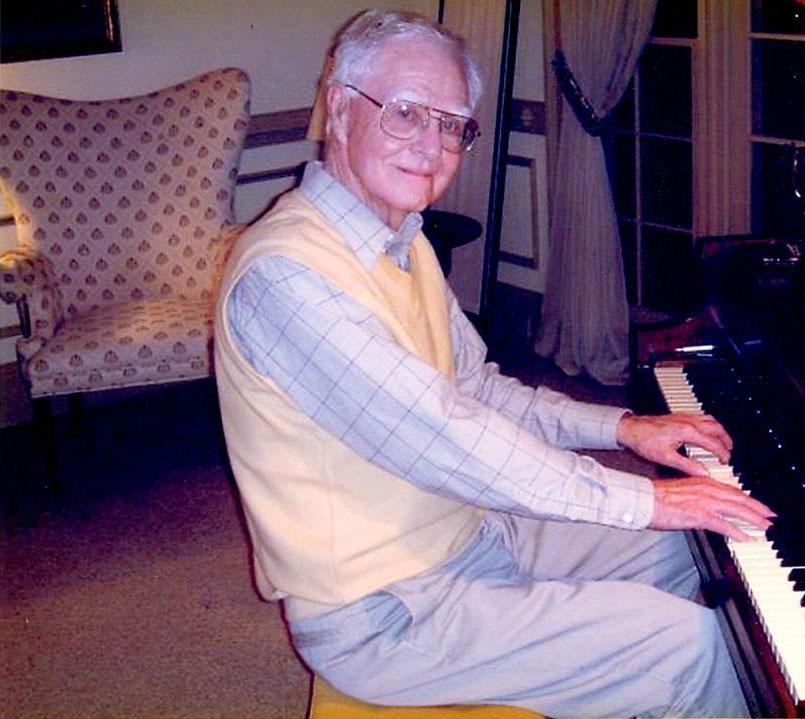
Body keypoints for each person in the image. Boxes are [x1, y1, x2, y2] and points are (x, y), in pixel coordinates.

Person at [214, 9, 772, 718]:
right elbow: (445, 435)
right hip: (384, 613)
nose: (433, 144)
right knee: (687, 643)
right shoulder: (285, 276)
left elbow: (476, 389)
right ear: (340, 106)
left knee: (693, 553)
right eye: (408, 113)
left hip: (471, 532)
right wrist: (647, 499)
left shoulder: (400, 238)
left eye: (453, 124)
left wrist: (625, 427)